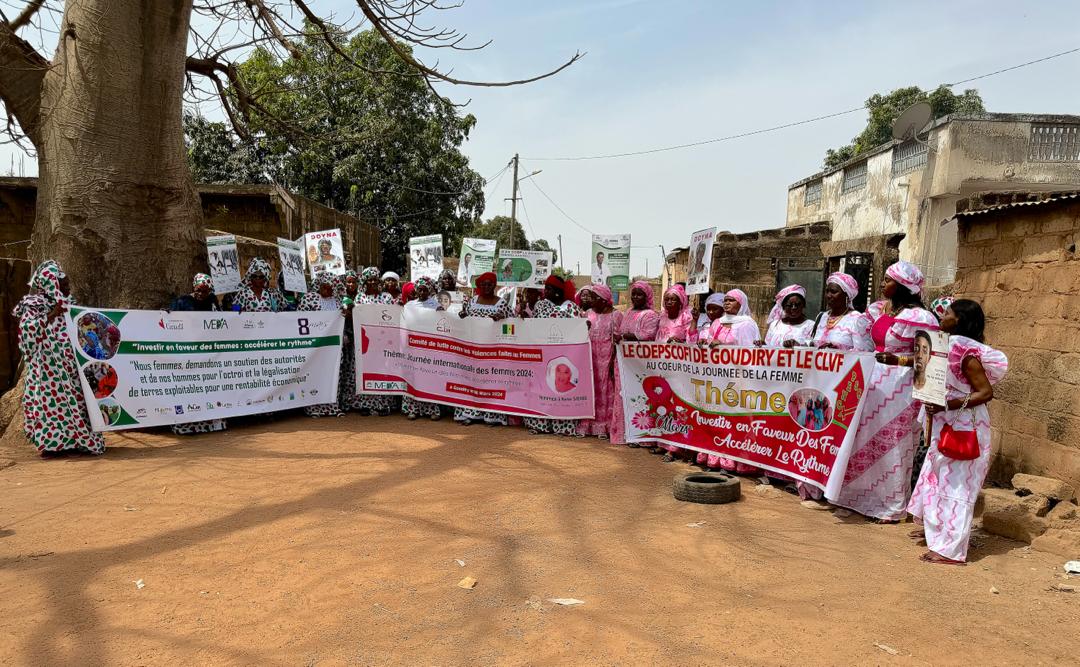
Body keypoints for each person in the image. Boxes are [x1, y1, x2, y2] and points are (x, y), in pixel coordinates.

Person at [833, 260, 938, 523]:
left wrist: (898, 361)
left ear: (902, 285)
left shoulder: (922, 318)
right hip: (877, 381)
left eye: (888, 280)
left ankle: (891, 506)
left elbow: (933, 358)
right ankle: (861, 497)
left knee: (893, 443)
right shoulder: (886, 310)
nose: (883, 284)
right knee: (865, 438)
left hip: (902, 387)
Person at [907, 300, 1007, 565]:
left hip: (965, 425)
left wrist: (946, 404)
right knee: (937, 477)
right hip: (945, 421)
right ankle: (937, 532)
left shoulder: (967, 354)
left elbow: (986, 393)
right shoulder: (944, 345)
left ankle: (950, 549)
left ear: (960, 320)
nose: (943, 315)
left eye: (948, 313)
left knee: (957, 485)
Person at [14, 260, 106, 456]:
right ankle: (53, 446)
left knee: (78, 404)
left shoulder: (70, 304)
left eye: (67, 285)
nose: (68, 288)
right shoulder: (34, 305)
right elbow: (27, 331)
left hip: (72, 367)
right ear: (51, 284)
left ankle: (78, 442)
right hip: (48, 370)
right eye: (63, 285)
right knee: (52, 408)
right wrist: (51, 314)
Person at [169, 274, 228, 434]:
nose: (203, 293)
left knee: (210, 387)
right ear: (194, 287)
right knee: (190, 387)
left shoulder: (212, 301)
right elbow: (170, 321)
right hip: (187, 352)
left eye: (207, 290)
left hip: (208, 352)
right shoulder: (181, 302)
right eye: (200, 290)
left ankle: (213, 423)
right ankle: (186, 426)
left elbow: (220, 321)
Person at [524, 275, 583, 436]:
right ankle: (540, 424)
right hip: (543, 355)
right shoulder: (541, 305)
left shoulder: (571, 307)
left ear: (557, 292)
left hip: (565, 356)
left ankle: (562, 426)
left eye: (549, 289)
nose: (545, 291)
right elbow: (535, 325)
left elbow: (577, 328)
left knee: (560, 389)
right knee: (542, 388)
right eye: (545, 288)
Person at [454, 272, 513, 426]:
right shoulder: (472, 301)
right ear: (479, 286)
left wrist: (502, 319)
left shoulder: (501, 304)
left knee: (491, 381)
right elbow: (463, 317)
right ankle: (470, 414)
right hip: (472, 350)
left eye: (490, 284)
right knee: (472, 381)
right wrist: (461, 316)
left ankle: (492, 415)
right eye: (483, 284)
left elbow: (512, 324)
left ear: (495, 285)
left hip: (493, 352)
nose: (487, 287)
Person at [610, 281, 661, 446]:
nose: (636, 297)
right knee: (623, 396)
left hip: (639, 364)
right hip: (623, 362)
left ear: (647, 297)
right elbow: (622, 331)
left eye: (640, 294)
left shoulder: (651, 315)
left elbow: (648, 335)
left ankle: (640, 436)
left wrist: (625, 337)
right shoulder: (629, 312)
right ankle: (625, 434)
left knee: (639, 397)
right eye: (634, 294)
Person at [576, 284, 623, 439]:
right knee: (592, 389)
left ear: (604, 300)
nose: (592, 300)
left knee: (606, 390)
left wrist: (613, 361)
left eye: (595, 298)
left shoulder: (616, 315)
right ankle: (589, 425)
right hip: (591, 358)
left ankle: (605, 426)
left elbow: (617, 341)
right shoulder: (588, 314)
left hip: (607, 357)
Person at [353, 267, 398, 415]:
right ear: (365, 282)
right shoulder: (360, 298)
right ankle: (365, 404)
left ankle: (383, 404)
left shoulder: (386, 297)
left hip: (384, 342)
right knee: (366, 370)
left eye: (375, 279)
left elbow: (393, 316)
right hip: (366, 341)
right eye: (369, 279)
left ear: (379, 281)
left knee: (383, 371)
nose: (372, 282)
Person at [298, 274, 345, 417]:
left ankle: (332, 406)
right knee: (314, 374)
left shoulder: (337, 301)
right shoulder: (309, 298)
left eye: (331, 287)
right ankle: (313, 408)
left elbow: (342, 320)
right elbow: (301, 319)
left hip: (334, 345)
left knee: (334, 374)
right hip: (314, 345)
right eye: (325, 287)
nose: (329, 290)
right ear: (318, 286)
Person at [399, 277, 443, 421]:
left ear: (429, 290)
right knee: (414, 378)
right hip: (413, 347)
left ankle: (432, 410)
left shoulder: (436, 305)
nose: (422, 292)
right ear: (416, 291)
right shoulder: (409, 306)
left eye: (425, 289)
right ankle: (413, 409)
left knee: (430, 378)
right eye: (419, 289)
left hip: (430, 348)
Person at [811, 273, 874, 352]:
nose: (828, 295)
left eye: (833, 292)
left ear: (847, 296)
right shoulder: (821, 317)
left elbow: (865, 353)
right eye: (827, 291)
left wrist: (839, 349)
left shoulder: (857, 319)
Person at [338, 269, 366, 413]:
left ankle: (359, 402)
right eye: (348, 281)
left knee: (358, 370)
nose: (351, 284)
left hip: (360, 338)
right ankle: (346, 402)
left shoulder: (361, 297)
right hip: (346, 338)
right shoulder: (340, 297)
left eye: (353, 281)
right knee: (347, 370)